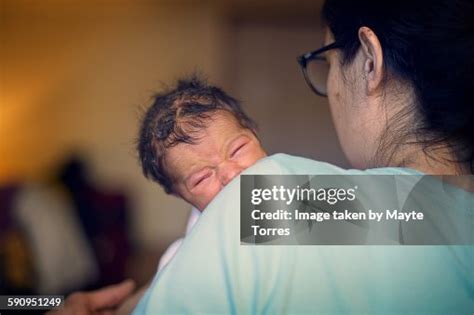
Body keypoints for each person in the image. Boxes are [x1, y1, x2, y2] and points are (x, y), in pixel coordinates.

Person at [133, 0, 474, 313]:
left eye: (328, 63)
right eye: (201, 177)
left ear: (370, 60)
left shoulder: (261, 204)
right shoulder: (452, 216)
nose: (229, 177)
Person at [48, 77, 267, 314]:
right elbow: (175, 275)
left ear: (254, 133)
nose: (231, 174)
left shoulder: (288, 194)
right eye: (202, 178)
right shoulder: (190, 246)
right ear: (177, 194)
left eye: (238, 149)